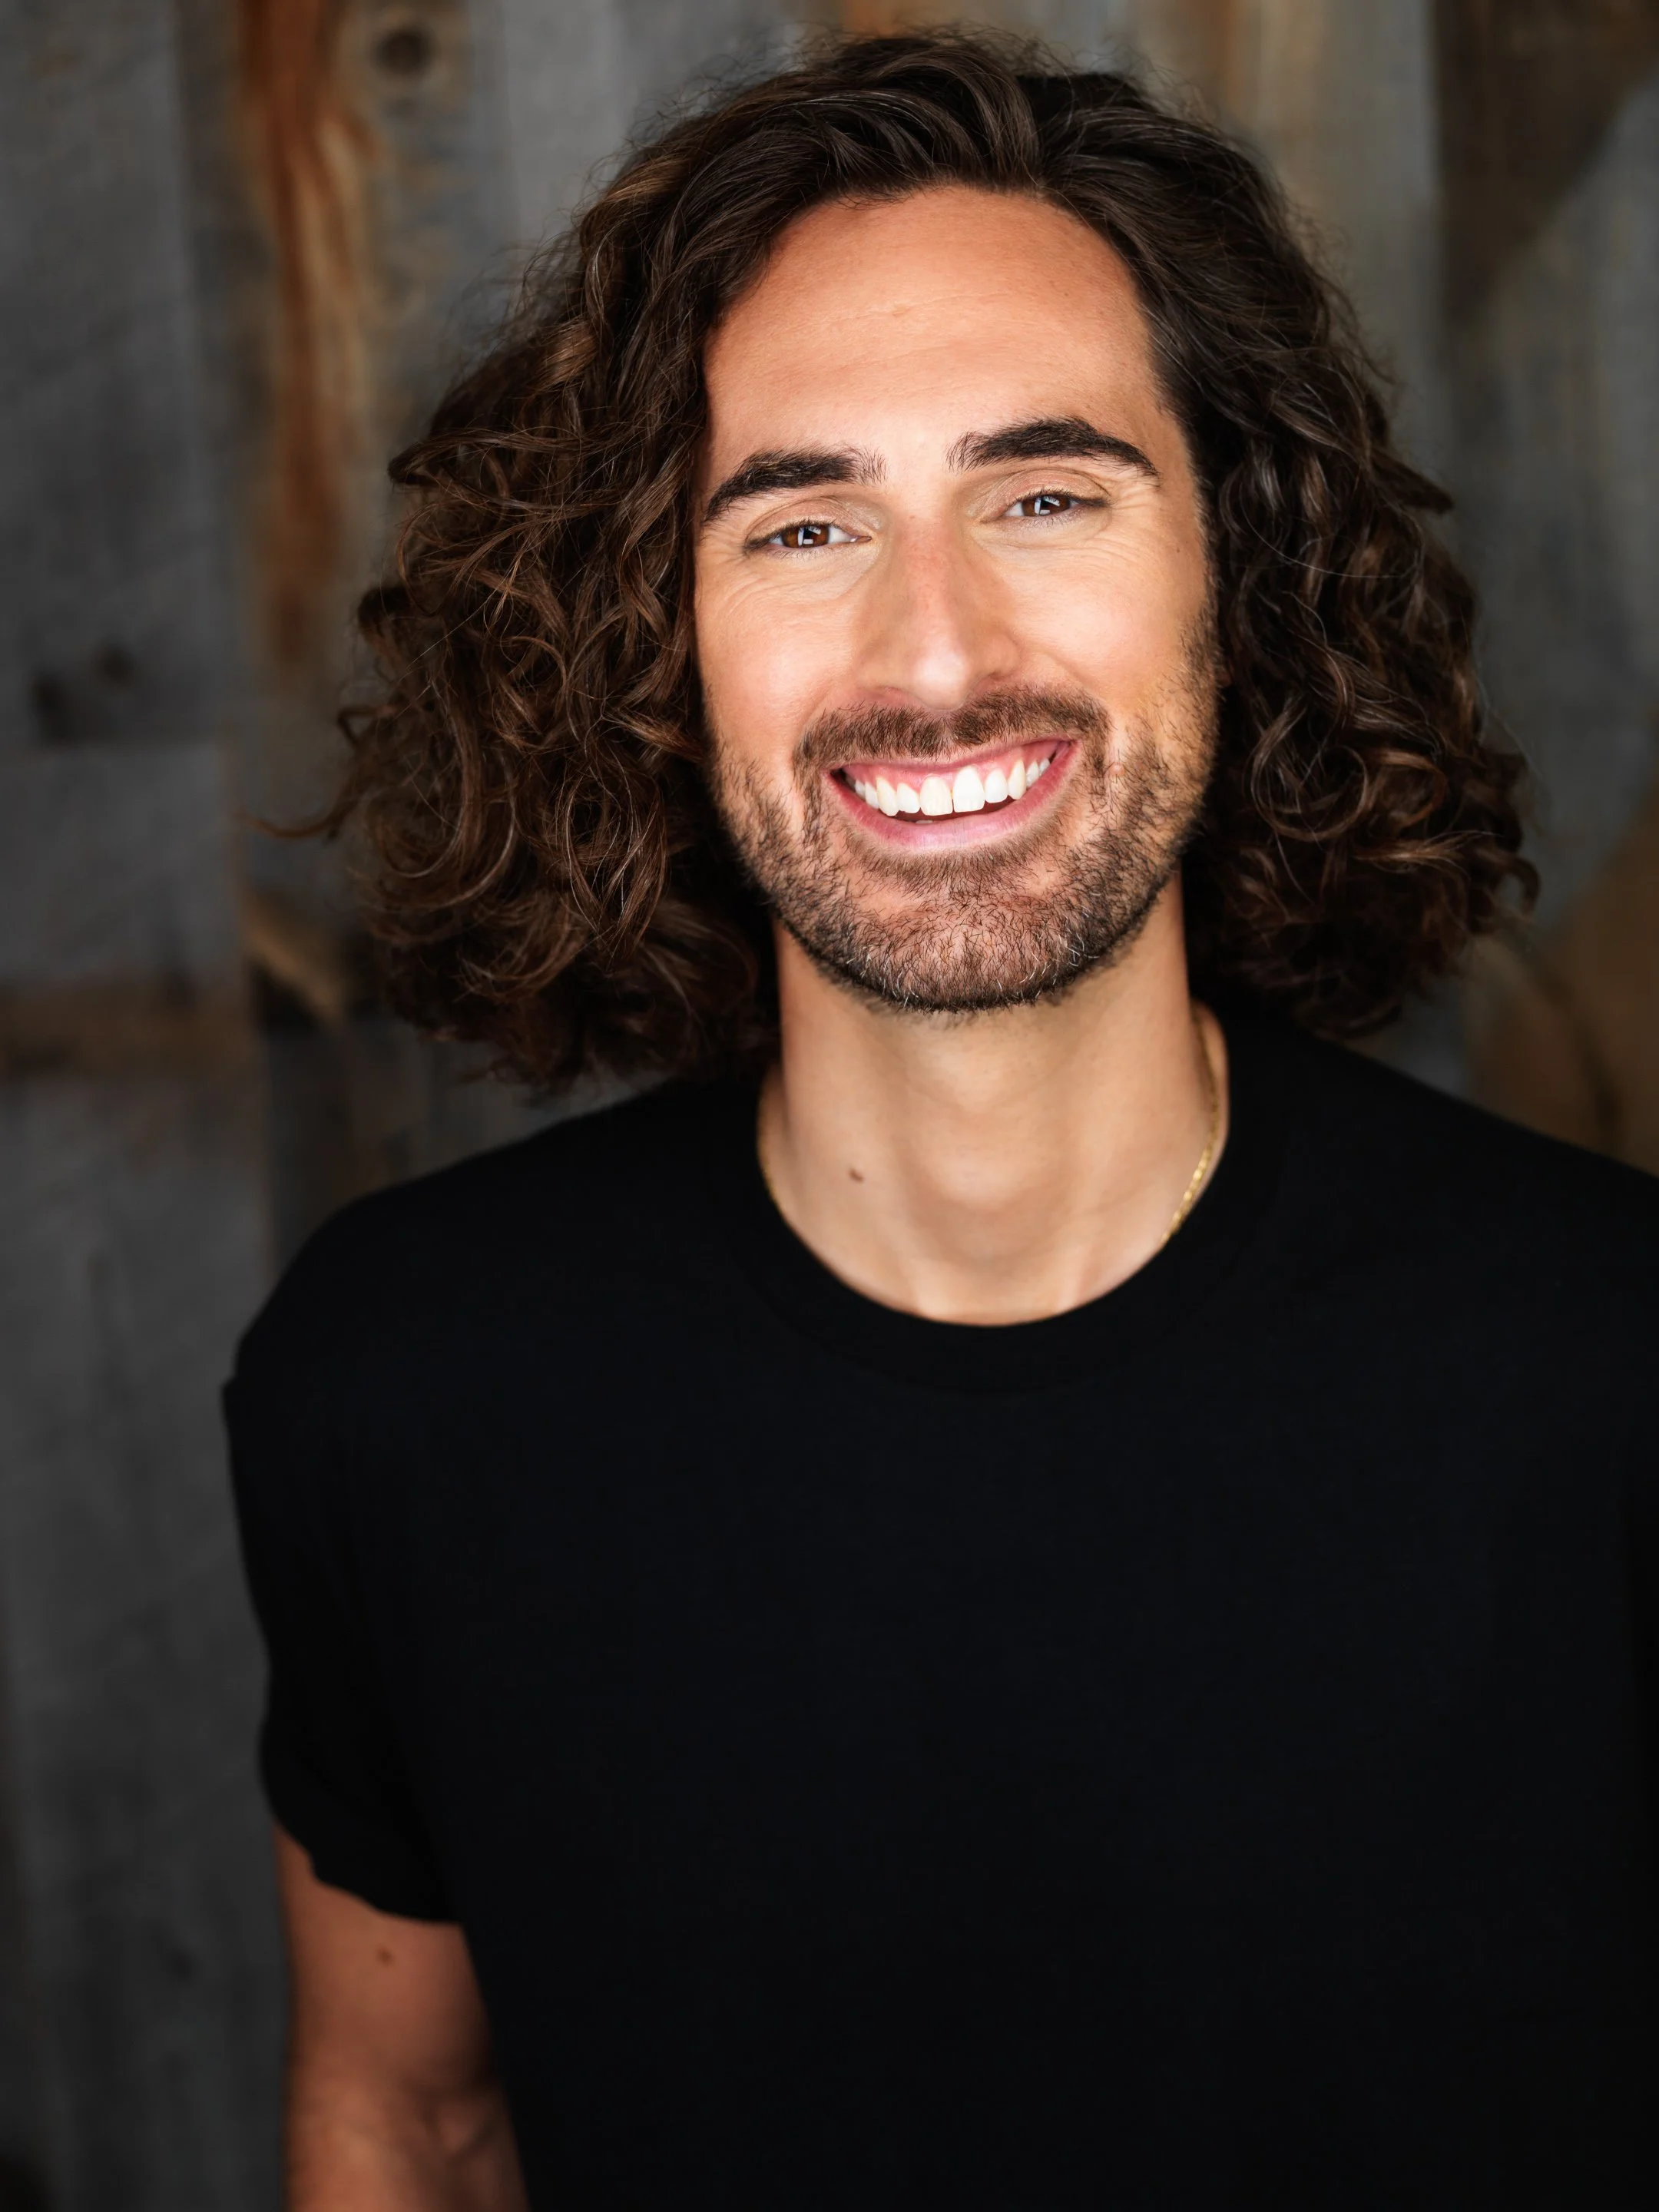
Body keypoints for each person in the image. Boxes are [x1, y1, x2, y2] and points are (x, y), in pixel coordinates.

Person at [225, 30, 1659, 2210]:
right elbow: (408, 2119)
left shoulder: (1614, 1365)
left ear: (1239, 567)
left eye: (1047, 495)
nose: (934, 652)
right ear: (656, 638)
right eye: (805, 524)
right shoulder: (404, 1390)